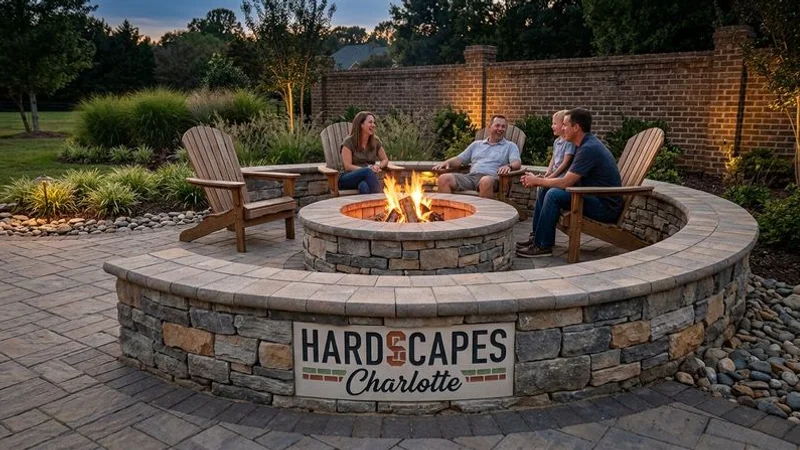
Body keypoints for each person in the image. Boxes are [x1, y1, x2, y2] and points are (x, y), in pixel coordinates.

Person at [516, 108, 623, 258]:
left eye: (565, 125)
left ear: (576, 127)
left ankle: (543, 246)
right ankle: (538, 238)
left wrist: (537, 180)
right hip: (592, 197)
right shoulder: (584, 145)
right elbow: (570, 179)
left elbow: (567, 182)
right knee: (546, 189)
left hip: (605, 206)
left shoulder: (589, 148)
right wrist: (542, 181)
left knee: (553, 194)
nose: (562, 128)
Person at [516, 110, 576, 249]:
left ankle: (542, 242)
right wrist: (547, 174)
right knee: (542, 189)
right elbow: (553, 160)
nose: (552, 126)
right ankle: (536, 235)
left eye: (555, 123)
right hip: (554, 177)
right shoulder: (557, 142)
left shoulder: (569, 143)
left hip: (561, 179)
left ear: (563, 125)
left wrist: (551, 178)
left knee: (546, 190)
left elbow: (565, 163)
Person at [432, 115, 521, 198]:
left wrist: (508, 166)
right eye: (497, 125)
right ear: (489, 127)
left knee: (485, 181)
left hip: (492, 179)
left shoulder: (510, 146)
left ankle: (484, 214)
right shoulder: (476, 145)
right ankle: (448, 213)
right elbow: (460, 159)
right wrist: (447, 162)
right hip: (471, 177)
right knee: (443, 179)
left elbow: (517, 162)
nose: (500, 129)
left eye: (503, 126)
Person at [339, 111, 391, 194]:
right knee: (367, 172)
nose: (373, 125)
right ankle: (380, 201)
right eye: (370, 122)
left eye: (374, 123)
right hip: (348, 178)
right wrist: (367, 170)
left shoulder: (375, 141)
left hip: (366, 178)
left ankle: (370, 206)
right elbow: (347, 166)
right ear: (361, 124)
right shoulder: (348, 142)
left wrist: (378, 166)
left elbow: (385, 159)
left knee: (364, 186)